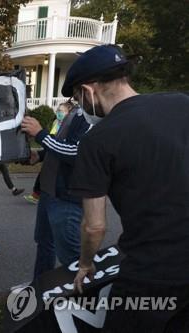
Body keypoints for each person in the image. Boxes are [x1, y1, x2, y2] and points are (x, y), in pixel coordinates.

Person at [65, 44, 189, 332]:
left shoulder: (97, 141)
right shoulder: (182, 104)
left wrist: (85, 264)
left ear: (88, 91)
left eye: (76, 98)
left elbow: (94, 226)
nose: (79, 105)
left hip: (152, 274)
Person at [21, 101, 90, 279]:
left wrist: (40, 134)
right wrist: (41, 155)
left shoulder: (92, 116)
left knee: (70, 254)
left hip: (67, 197)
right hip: (49, 191)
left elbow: (77, 153)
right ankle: (40, 290)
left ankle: (84, 300)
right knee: (44, 243)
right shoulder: (76, 111)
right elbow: (61, 143)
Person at [23, 103, 72, 205]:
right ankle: (36, 195)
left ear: (69, 113)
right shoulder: (56, 123)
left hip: (62, 191)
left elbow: (67, 149)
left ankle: (36, 195)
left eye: (61, 111)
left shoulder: (72, 124)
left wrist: (40, 134)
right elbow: (53, 143)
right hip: (49, 180)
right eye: (58, 111)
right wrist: (40, 155)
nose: (59, 113)